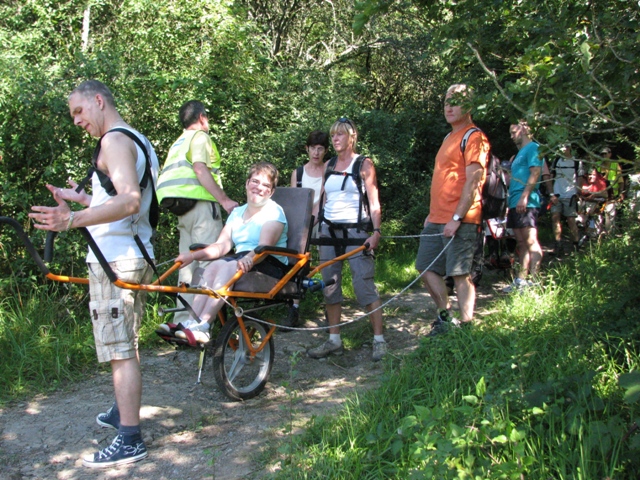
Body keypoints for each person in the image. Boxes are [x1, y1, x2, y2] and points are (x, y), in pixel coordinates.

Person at [29, 80, 159, 468]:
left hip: (116, 259)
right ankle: (124, 413)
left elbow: (130, 201)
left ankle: (130, 439)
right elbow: (124, 197)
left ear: (98, 101)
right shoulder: (135, 138)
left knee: (119, 349)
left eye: (79, 111)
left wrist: (71, 219)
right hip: (129, 254)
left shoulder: (114, 141)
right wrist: (85, 199)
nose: (77, 121)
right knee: (125, 342)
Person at [158, 162, 288, 343]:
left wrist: (249, 258)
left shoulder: (274, 212)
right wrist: (192, 256)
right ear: (247, 183)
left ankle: (204, 325)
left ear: (271, 192)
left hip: (269, 263)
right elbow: (221, 246)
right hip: (243, 258)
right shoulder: (238, 213)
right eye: (255, 181)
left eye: (266, 185)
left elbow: (264, 247)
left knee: (228, 266)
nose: (259, 188)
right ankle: (191, 322)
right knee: (213, 266)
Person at [307, 117, 387, 362]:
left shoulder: (364, 164)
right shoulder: (329, 164)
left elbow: (374, 202)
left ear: (352, 137)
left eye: (340, 134)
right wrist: (308, 228)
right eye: (333, 135)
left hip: (357, 233)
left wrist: (376, 232)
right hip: (328, 233)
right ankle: (334, 340)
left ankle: (379, 340)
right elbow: (322, 201)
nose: (336, 139)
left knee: (364, 285)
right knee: (330, 287)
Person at [156, 100, 238, 325]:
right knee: (208, 264)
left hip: (182, 210)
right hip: (202, 207)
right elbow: (200, 168)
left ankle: (181, 320)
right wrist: (224, 200)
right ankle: (200, 324)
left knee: (187, 266)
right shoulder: (200, 137)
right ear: (202, 118)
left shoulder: (178, 142)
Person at [414, 84, 488, 330]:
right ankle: (445, 319)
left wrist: (457, 216)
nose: (449, 106)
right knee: (425, 267)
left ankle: (467, 326)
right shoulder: (449, 137)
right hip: (437, 218)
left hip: (462, 219)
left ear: (469, 105)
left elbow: (474, 181)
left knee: (459, 274)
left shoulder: (474, 137)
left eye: (456, 101)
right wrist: (431, 214)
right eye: (446, 101)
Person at [283, 130, 329, 329]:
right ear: (307, 149)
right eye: (313, 148)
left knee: (327, 263)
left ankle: (330, 304)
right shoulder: (298, 173)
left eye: (320, 149)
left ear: (325, 150)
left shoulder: (330, 170)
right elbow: (295, 200)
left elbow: (327, 199)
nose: (316, 153)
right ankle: (294, 306)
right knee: (298, 264)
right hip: (302, 224)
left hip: (325, 222)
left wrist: (316, 217)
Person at [502, 121, 543, 293]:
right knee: (521, 242)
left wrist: (525, 197)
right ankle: (521, 280)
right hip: (515, 201)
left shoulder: (533, 147)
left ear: (525, 129)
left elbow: (535, 172)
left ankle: (535, 281)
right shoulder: (519, 154)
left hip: (526, 201)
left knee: (531, 240)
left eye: (513, 132)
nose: (511, 136)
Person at [549, 144, 584, 255]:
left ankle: (576, 244)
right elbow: (550, 176)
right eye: (562, 147)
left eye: (567, 147)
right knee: (555, 218)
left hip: (571, 195)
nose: (564, 149)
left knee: (571, 220)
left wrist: (578, 192)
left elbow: (580, 178)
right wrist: (551, 193)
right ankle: (558, 245)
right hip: (557, 194)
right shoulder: (556, 161)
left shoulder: (576, 162)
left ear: (570, 148)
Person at [599, 146, 623, 233]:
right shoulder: (598, 164)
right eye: (602, 154)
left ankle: (610, 235)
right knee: (599, 216)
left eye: (605, 154)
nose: (604, 156)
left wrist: (621, 193)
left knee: (610, 215)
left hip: (612, 195)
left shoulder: (615, 165)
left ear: (610, 154)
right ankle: (598, 235)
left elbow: (621, 181)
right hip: (599, 195)